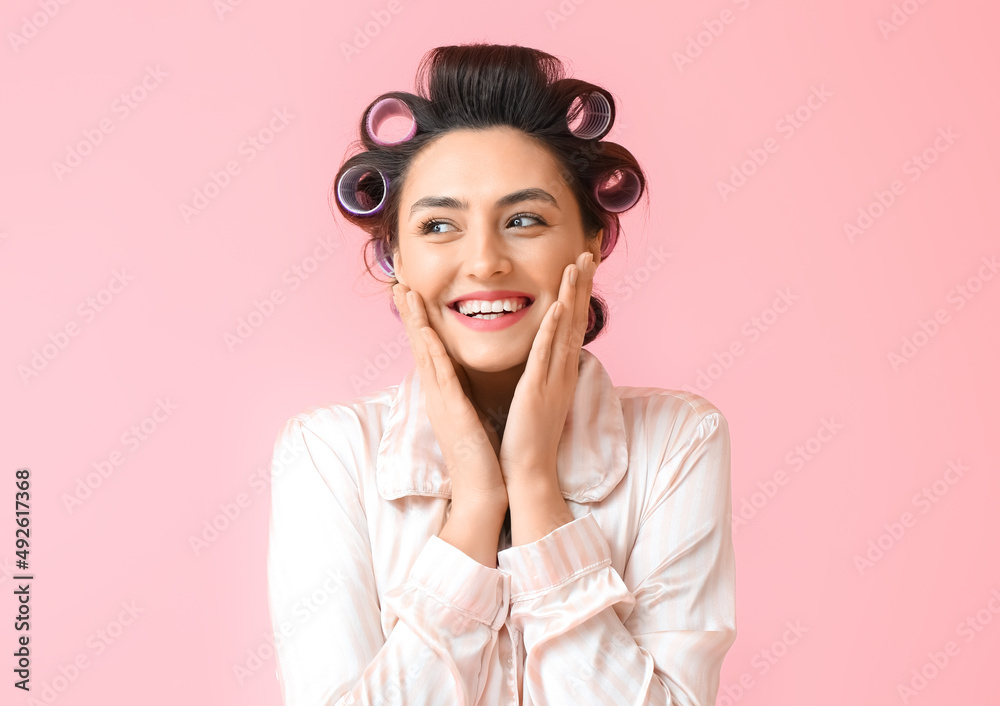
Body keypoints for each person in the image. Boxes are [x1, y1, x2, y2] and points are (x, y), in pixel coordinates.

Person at [266, 43, 736, 706]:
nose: (484, 262)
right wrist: (476, 506)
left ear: (592, 241)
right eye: (438, 226)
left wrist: (537, 486)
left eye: (523, 220)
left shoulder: (678, 439)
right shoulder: (328, 452)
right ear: (394, 252)